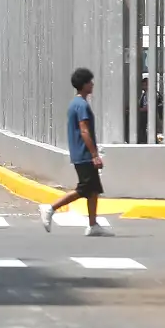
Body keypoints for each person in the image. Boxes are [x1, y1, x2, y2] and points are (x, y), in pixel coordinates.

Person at [41, 66, 107, 236]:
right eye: (90, 81)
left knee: (93, 190)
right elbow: (84, 130)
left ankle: (93, 225)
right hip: (84, 154)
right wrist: (94, 155)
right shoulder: (82, 105)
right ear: (84, 84)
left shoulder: (75, 104)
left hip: (80, 153)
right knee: (84, 189)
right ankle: (51, 208)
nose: (92, 84)